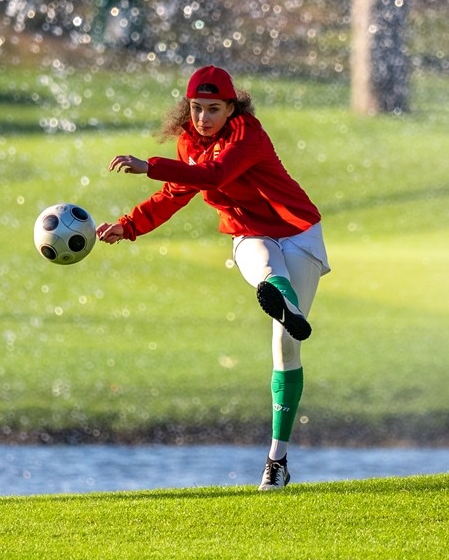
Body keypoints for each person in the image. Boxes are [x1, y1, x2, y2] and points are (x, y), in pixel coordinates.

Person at [97, 65, 330, 491]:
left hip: (298, 231)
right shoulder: (189, 143)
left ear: (231, 108)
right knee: (262, 267)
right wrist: (128, 226)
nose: (203, 118)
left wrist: (149, 165)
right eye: (196, 108)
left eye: (213, 109)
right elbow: (174, 195)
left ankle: (277, 458)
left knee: (286, 345)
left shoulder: (247, 133)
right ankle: (280, 297)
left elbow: (215, 176)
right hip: (249, 232)